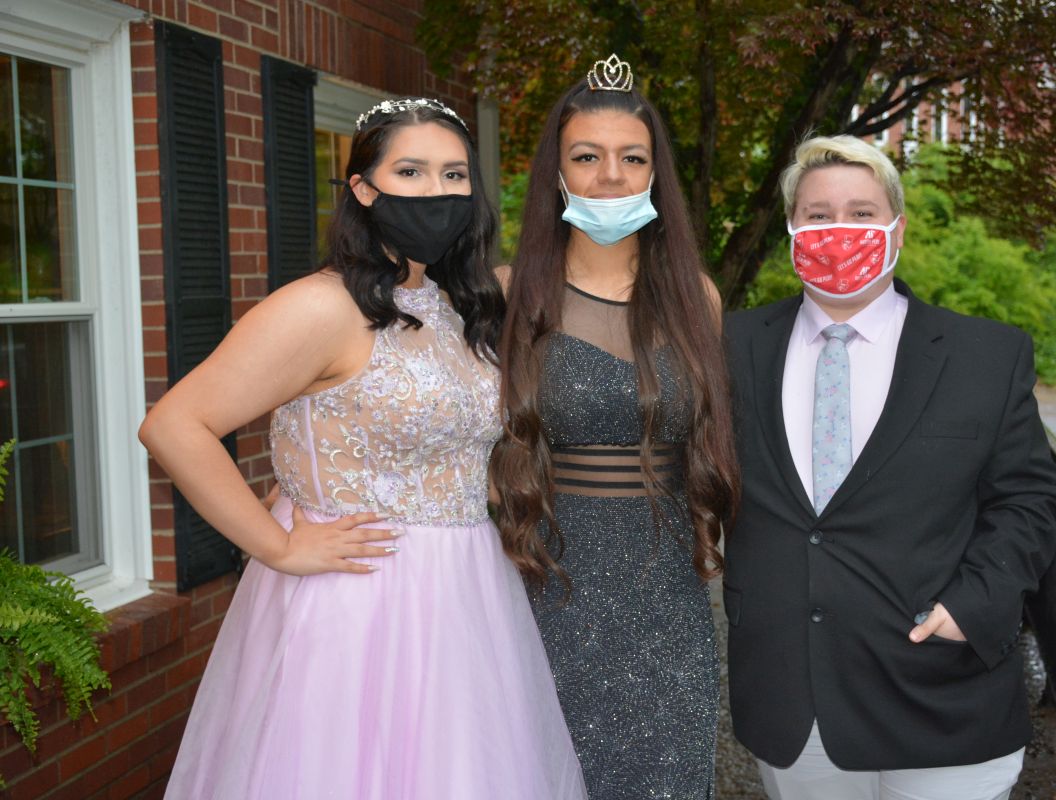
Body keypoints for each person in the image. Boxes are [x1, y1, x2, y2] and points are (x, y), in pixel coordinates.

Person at [140, 97, 585, 800]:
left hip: (467, 597)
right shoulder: (320, 306)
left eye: (454, 175)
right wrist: (278, 545)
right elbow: (174, 424)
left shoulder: (458, 307)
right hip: (359, 597)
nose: (436, 191)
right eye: (411, 171)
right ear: (363, 188)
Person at [723, 134, 1056, 800]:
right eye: (818, 215)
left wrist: (975, 604)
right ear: (792, 230)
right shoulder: (729, 347)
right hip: (794, 701)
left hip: (943, 693)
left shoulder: (985, 355)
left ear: (897, 229)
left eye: (861, 212)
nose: (839, 230)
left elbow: (1029, 499)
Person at [490, 55, 740, 799]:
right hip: (548, 585)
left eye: (633, 158)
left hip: (668, 600)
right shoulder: (506, 295)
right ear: (555, 171)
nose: (610, 176)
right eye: (586, 157)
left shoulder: (696, 297)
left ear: (656, 174)